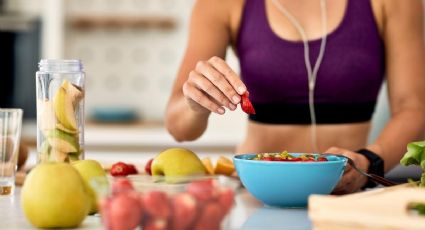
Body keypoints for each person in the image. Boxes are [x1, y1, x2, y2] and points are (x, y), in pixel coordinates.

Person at [165, 0, 425, 194]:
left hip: (347, 194)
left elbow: (414, 107)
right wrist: (195, 103)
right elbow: (179, 128)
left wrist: (370, 161)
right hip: (256, 194)